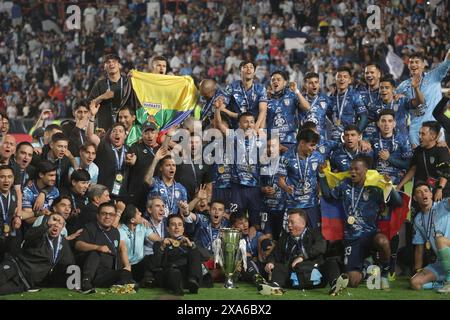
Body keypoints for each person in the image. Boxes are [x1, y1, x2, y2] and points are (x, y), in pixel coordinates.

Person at [319, 156, 403, 289]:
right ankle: (367, 265)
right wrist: (322, 174)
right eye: (351, 169)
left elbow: (398, 202)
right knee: (353, 282)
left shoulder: (375, 187)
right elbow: (328, 196)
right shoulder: (344, 184)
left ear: (365, 170)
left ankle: (385, 272)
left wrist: (389, 186)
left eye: (356, 169)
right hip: (351, 238)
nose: (353, 172)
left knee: (382, 241)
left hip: (370, 235)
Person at [264, 209, 348, 295]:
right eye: (288, 222)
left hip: (317, 276)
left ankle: (335, 284)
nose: (289, 225)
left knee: (331, 262)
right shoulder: (284, 238)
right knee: (279, 266)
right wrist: (270, 262)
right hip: (294, 279)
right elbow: (274, 255)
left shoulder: (315, 233)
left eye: (292, 222)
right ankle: (275, 287)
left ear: (303, 223)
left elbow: (321, 247)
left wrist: (302, 256)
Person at [0, 213, 74, 295]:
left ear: (62, 227)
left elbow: (68, 263)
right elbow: (28, 237)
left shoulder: (63, 243)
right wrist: (46, 225)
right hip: (14, 267)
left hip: (24, 283)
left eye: (60, 223)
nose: (56, 224)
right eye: (54, 220)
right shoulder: (39, 234)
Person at [215, 108, 263, 229]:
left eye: (252, 122)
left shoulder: (259, 138)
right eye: (246, 122)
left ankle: (251, 245)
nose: (249, 124)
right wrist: (217, 109)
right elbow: (219, 125)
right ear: (239, 124)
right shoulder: (235, 137)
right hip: (238, 186)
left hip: (254, 186)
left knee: (255, 221)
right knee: (235, 220)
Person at [75, 201, 134, 294]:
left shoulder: (115, 232)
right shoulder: (90, 227)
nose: (107, 217)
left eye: (111, 214)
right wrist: (97, 247)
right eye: (104, 214)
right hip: (91, 271)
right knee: (95, 252)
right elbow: (78, 245)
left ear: (115, 217)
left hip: (106, 274)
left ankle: (122, 284)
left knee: (125, 273)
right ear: (98, 216)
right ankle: (85, 284)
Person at [396, 50, 450, 147]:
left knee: (440, 159)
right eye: (411, 62)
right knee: (418, 159)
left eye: (417, 62)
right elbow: (392, 100)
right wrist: (397, 97)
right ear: (408, 66)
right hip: (415, 130)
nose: (413, 64)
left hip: (435, 128)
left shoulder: (434, 76)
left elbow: (447, 61)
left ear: (423, 64)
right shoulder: (403, 86)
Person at [87, 101, 136, 201]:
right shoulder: (104, 146)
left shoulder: (128, 149)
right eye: (114, 131)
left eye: (120, 131)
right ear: (110, 135)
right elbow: (90, 136)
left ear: (125, 136)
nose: (117, 133)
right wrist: (92, 116)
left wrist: (133, 161)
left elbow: (133, 161)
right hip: (104, 194)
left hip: (122, 194)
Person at [278, 129, 324, 230]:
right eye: (311, 145)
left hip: (311, 203)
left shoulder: (318, 157)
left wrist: (320, 191)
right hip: (293, 204)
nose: (314, 148)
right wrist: (286, 187)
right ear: (302, 143)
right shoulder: (286, 157)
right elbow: (280, 180)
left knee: (314, 234)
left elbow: (320, 178)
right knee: (292, 233)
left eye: (315, 145)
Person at [410, 183, 450, 293]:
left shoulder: (442, 206)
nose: (423, 193)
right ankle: (440, 284)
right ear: (415, 198)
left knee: (440, 240)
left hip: (446, 246)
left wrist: (441, 188)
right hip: (443, 262)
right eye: (419, 191)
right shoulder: (418, 219)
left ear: (431, 194)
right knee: (415, 283)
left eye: (426, 190)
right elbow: (419, 247)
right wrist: (418, 270)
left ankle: (449, 281)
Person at [397, 121, 450, 200]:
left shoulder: (441, 149)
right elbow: (413, 169)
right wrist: (399, 186)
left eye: (423, 134)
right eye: (419, 133)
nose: (419, 137)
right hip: (423, 192)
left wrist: (440, 189)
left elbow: (446, 170)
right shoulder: (418, 150)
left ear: (433, 136)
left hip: (442, 191)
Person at [152, 214, 203, 295]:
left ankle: (193, 282)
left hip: (187, 275)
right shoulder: (159, 244)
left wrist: (192, 247)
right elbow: (156, 265)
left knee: (194, 251)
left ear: (183, 229)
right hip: (170, 274)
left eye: (179, 225)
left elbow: (201, 260)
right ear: (167, 229)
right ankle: (178, 288)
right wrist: (162, 247)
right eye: (173, 224)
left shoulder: (189, 243)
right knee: (173, 271)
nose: (176, 227)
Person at [88, 54, 132, 132]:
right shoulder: (100, 84)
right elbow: (90, 105)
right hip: (105, 129)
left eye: (114, 62)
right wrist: (102, 97)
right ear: (104, 67)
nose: (111, 64)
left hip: (126, 128)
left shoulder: (128, 82)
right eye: (108, 62)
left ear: (119, 65)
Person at [266, 70, 310, 148]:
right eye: (273, 80)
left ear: (285, 82)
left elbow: (307, 107)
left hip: (290, 141)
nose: (275, 81)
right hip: (272, 142)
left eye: (279, 79)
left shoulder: (292, 95)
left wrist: (296, 91)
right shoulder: (266, 99)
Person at [370, 109, 413, 185]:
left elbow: (408, 165)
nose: (386, 124)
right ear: (378, 124)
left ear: (394, 124)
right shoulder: (372, 139)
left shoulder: (403, 140)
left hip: (395, 180)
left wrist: (389, 158)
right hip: (377, 179)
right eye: (383, 121)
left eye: (390, 121)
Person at [118, 204, 159, 283]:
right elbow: (123, 250)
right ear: (132, 220)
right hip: (125, 266)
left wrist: (167, 240)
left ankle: (148, 280)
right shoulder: (120, 230)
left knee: (149, 258)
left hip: (139, 264)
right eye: (138, 213)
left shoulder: (142, 226)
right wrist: (127, 267)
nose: (141, 214)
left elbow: (156, 239)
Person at [144, 148, 189, 216]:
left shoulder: (181, 188)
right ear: (161, 168)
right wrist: (156, 159)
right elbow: (147, 180)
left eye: (173, 165)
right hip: (154, 224)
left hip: (171, 225)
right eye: (168, 165)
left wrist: (185, 210)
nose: (171, 168)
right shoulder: (156, 182)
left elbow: (184, 213)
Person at [224, 61, 268, 130]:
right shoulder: (231, 87)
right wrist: (235, 115)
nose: (248, 69)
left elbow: (263, 110)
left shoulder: (261, 88)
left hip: (254, 124)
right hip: (236, 125)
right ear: (240, 72)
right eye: (245, 67)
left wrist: (256, 128)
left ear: (254, 72)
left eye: (251, 67)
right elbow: (221, 107)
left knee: (264, 115)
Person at [328, 66, 368, 142]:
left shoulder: (355, 96)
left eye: (345, 77)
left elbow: (364, 117)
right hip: (335, 136)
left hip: (350, 136)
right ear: (335, 80)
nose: (342, 79)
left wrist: (356, 133)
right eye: (339, 77)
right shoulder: (331, 98)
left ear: (350, 80)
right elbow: (329, 114)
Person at [128, 122, 159, 210]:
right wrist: (131, 160)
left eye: (152, 132)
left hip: (155, 193)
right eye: (146, 133)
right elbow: (131, 158)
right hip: (137, 192)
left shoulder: (160, 149)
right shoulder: (136, 147)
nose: (149, 136)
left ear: (157, 134)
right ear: (142, 134)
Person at [174, 134, 213, 201]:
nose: (194, 145)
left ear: (201, 144)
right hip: (178, 199)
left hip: (196, 201)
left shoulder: (205, 163)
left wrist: (208, 202)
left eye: (197, 142)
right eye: (190, 142)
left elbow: (208, 185)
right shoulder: (178, 159)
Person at [301, 72, 333, 140]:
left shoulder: (325, 99)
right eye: (311, 83)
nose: (314, 85)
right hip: (304, 138)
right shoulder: (299, 98)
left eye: (316, 82)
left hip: (320, 138)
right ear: (305, 85)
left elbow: (332, 117)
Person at [358, 64, 382, 138]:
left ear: (379, 74)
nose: (369, 75)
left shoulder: (387, 91)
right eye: (366, 73)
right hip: (364, 134)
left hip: (382, 132)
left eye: (372, 72)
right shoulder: (359, 91)